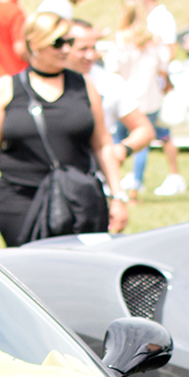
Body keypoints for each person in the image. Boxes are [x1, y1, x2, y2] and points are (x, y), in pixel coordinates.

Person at [0, 11, 117, 246]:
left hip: (78, 198)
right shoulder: (6, 89)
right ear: (35, 44)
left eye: (69, 42)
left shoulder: (84, 86)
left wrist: (117, 197)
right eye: (57, 43)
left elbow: (103, 145)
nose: (65, 50)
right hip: (21, 201)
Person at [71, 18, 152, 230]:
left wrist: (122, 149)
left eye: (93, 47)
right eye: (82, 49)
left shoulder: (109, 83)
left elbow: (144, 129)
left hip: (96, 183)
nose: (91, 55)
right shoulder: (43, 84)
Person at [109, 0, 171, 198]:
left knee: (118, 139)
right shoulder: (153, 39)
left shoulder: (120, 39)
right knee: (142, 140)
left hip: (124, 96)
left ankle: (114, 183)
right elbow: (164, 65)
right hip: (149, 96)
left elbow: (112, 68)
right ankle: (136, 184)